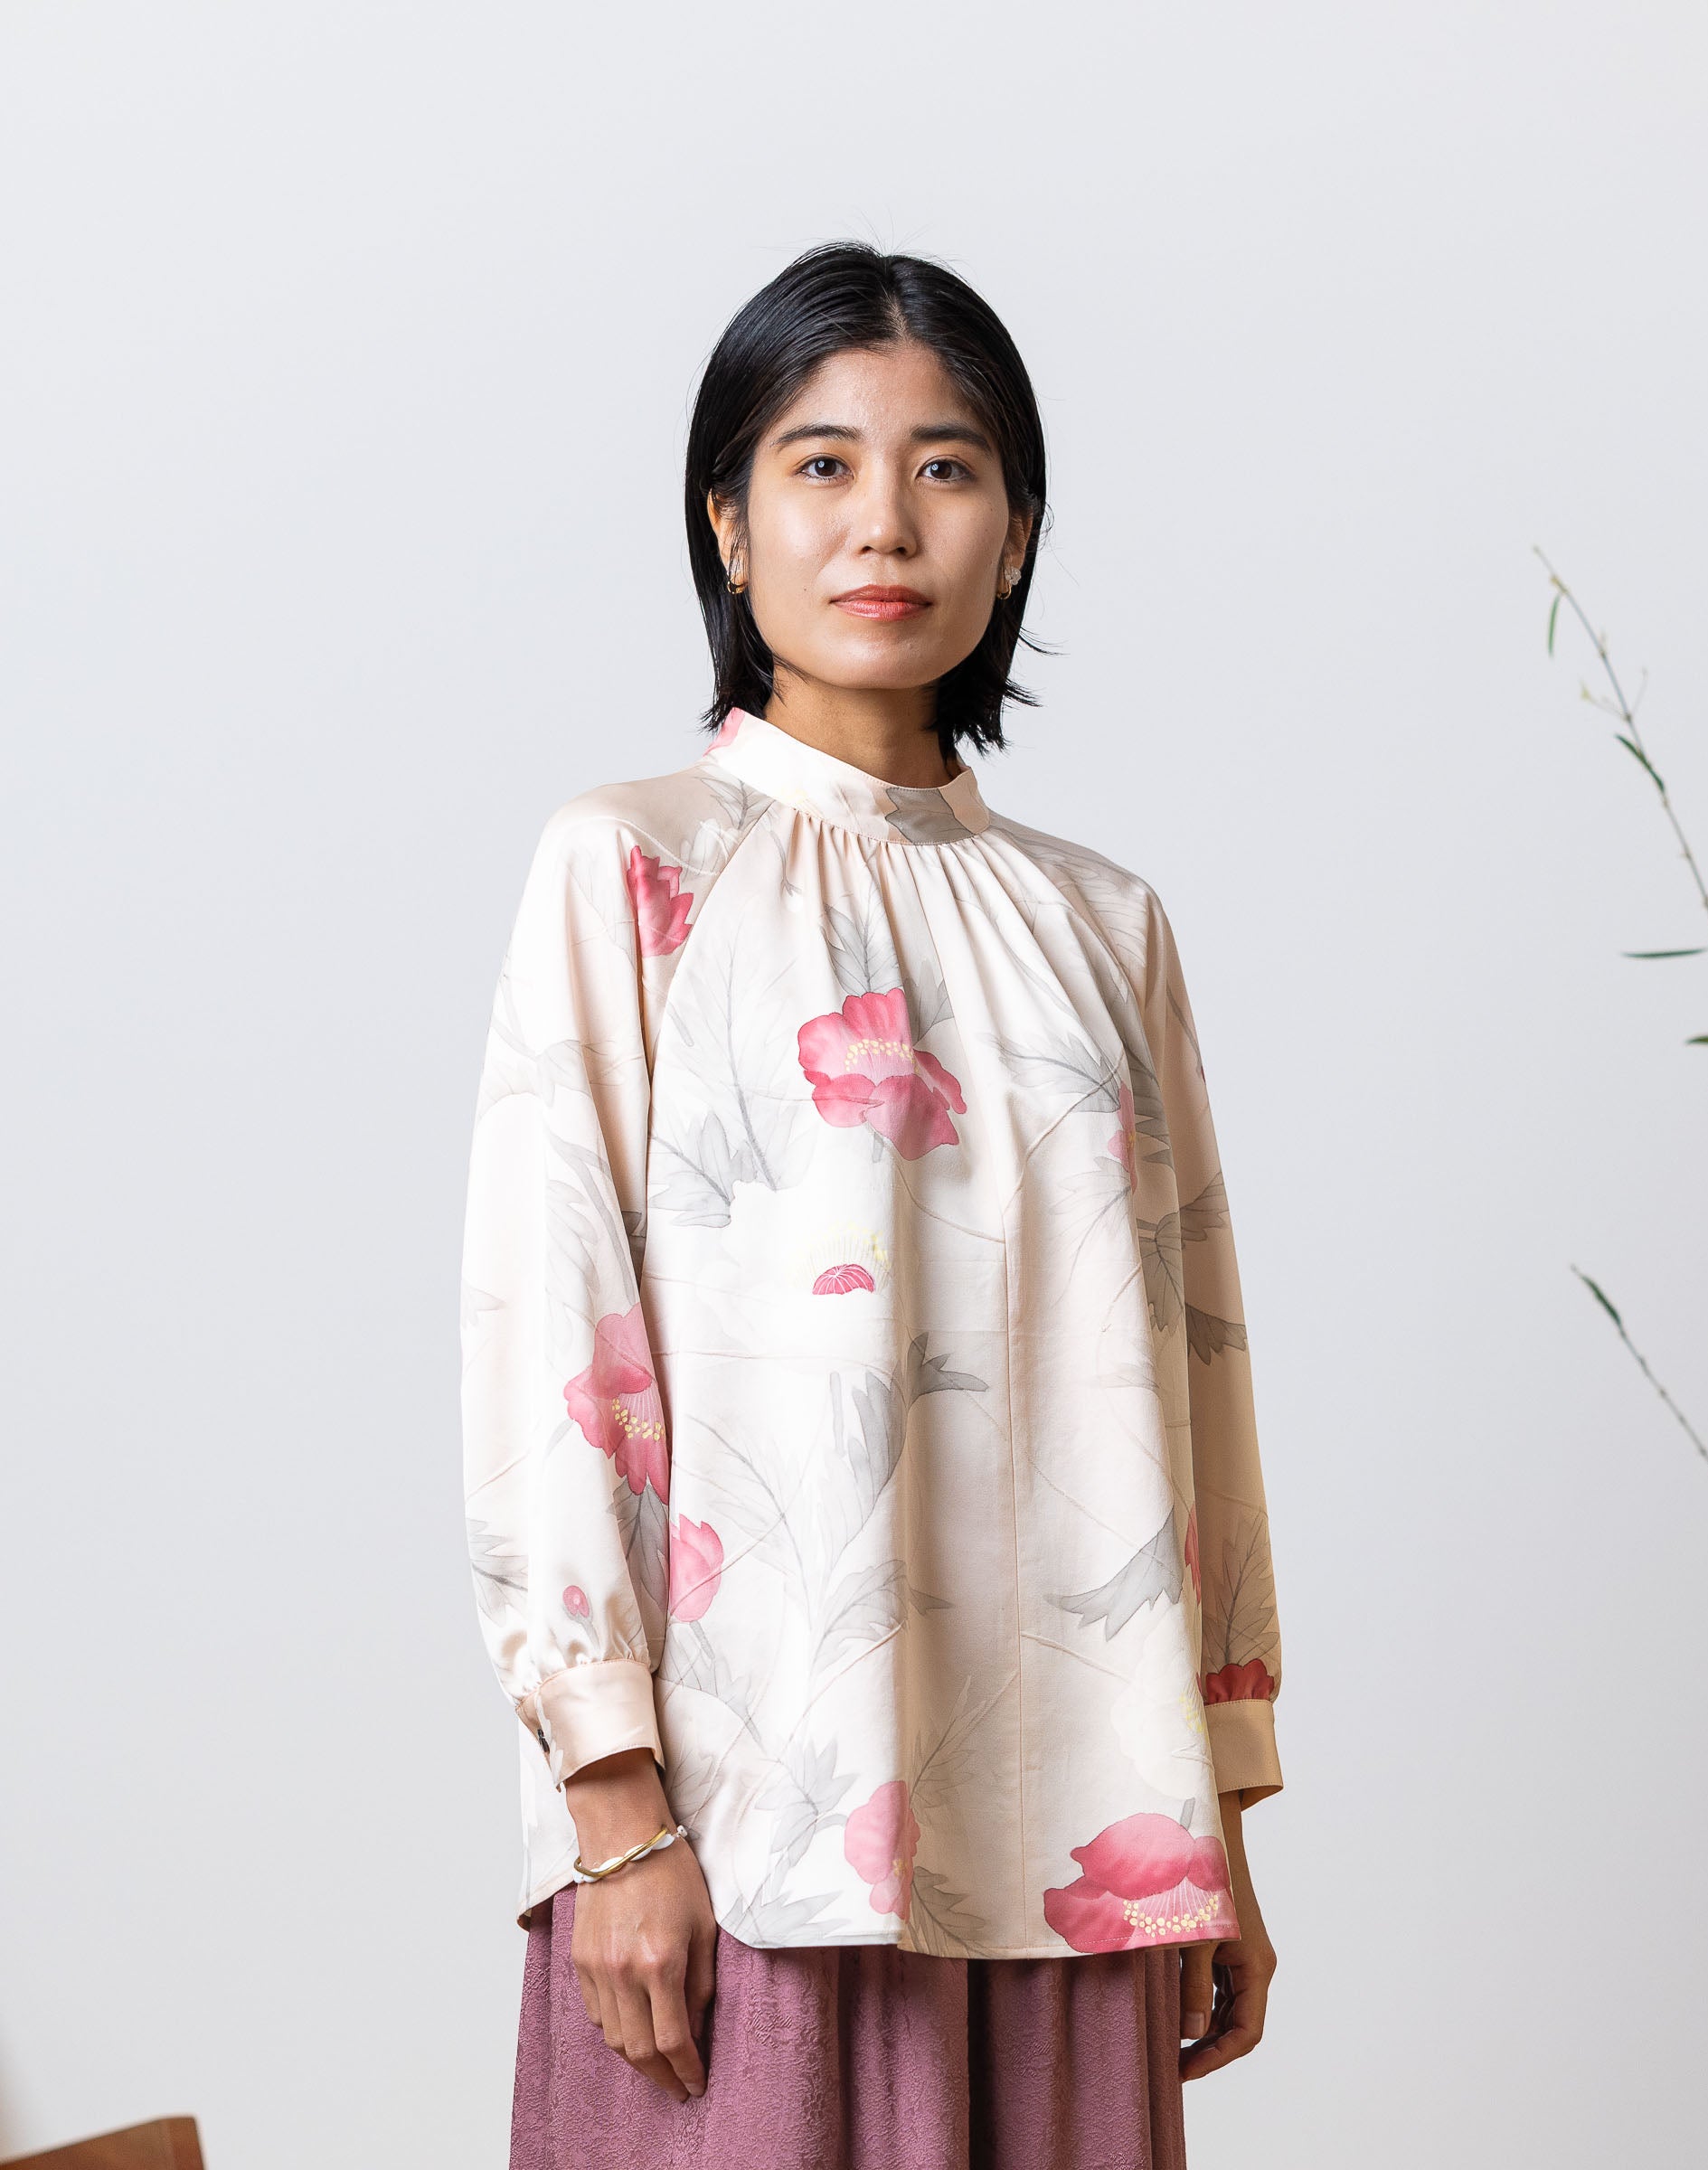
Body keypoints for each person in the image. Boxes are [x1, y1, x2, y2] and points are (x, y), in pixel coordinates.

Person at [458, 241, 1284, 2170]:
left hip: (1080, 1841)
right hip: (745, 1841)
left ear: (1017, 532)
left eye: (948, 466)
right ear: (727, 524)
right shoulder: (632, 870)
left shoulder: (1104, 924)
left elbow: (1196, 1389)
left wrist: (1219, 1820)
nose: (885, 521)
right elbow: (553, 1347)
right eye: (820, 464)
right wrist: (613, 1811)